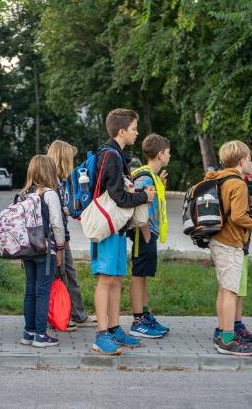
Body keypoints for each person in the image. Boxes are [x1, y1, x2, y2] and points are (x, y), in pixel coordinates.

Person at [90, 109, 154, 355]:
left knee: (116, 279)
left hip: (116, 227)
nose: (137, 133)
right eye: (134, 129)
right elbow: (117, 196)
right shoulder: (110, 155)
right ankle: (101, 336)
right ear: (121, 131)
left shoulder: (117, 155)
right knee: (105, 280)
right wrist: (142, 196)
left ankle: (115, 329)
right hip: (106, 227)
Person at [204, 141, 252, 356]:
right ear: (241, 161)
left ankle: (222, 332)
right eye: (249, 158)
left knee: (224, 290)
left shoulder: (220, 178)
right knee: (230, 291)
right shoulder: (238, 183)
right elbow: (238, 216)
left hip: (218, 239)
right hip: (230, 242)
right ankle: (227, 340)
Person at [17, 155, 65, 348]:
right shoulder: (50, 194)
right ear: (49, 171)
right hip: (45, 251)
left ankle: (27, 333)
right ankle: (40, 335)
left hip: (27, 249)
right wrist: (59, 248)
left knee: (30, 290)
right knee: (42, 291)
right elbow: (57, 224)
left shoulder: (24, 194)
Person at [46, 140, 94, 331]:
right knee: (58, 277)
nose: (72, 164)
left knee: (70, 275)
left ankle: (78, 314)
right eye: (70, 159)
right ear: (63, 159)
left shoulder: (61, 182)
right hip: (54, 239)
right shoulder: (50, 183)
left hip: (62, 237)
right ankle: (58, 317)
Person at [128, 134, 172, 338]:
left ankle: (145, 315)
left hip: (148, 234)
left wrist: (161, 184)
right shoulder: (145, 176)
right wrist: (145, 233)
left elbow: (153, 199)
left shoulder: (151, 176)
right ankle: (138, 321)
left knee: (143, 275)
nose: (169, 156)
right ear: (161, 154)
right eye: (168, 153)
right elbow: (139, 203)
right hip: (143, 234)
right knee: (138, 275)